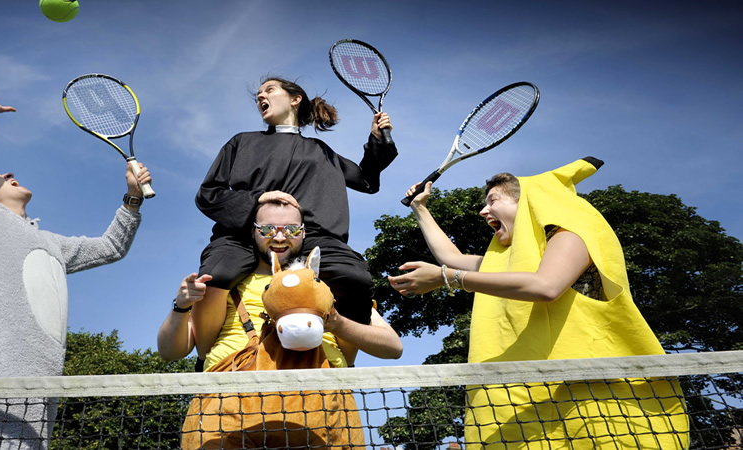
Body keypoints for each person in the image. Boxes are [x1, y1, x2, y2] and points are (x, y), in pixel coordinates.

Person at [388, 157, 689, 448]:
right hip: (535, 407)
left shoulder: (572, 233)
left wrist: (449, 278)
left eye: (493, 201)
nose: (483, 211)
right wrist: (420, 209)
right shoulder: (507, 259)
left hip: (598, 401)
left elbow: (546, 286)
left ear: (531, 201)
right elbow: (452, 260)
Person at [0, 70, 152, 449]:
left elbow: (112, 247)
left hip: (41, 391)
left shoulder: (49, 243)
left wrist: (133, 197)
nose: (9, 173)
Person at [193, 76, 397, 360]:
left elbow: (366, 180)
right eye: (259, 94)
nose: (261, 96)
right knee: (216, 274)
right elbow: (208, 194)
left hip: (315, 237)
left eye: (269, 89)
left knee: (355, 278)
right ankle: (204, 357)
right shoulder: (241, 142)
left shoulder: (322, 151)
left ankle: (345, 359)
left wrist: (377, 140)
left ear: (295, 98)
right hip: (245, 234)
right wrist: (256, 199)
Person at [158, 199, 402, 369]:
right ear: (252, 232)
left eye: (291, 229)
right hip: (232, 398)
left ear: (304, 233)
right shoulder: (228, 284)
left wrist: (338, 324)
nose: (279, 237)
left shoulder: (323, 285)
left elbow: (392, 348)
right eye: (267, 229)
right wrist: (180, 306)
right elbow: (170, 353)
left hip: (323, 397)